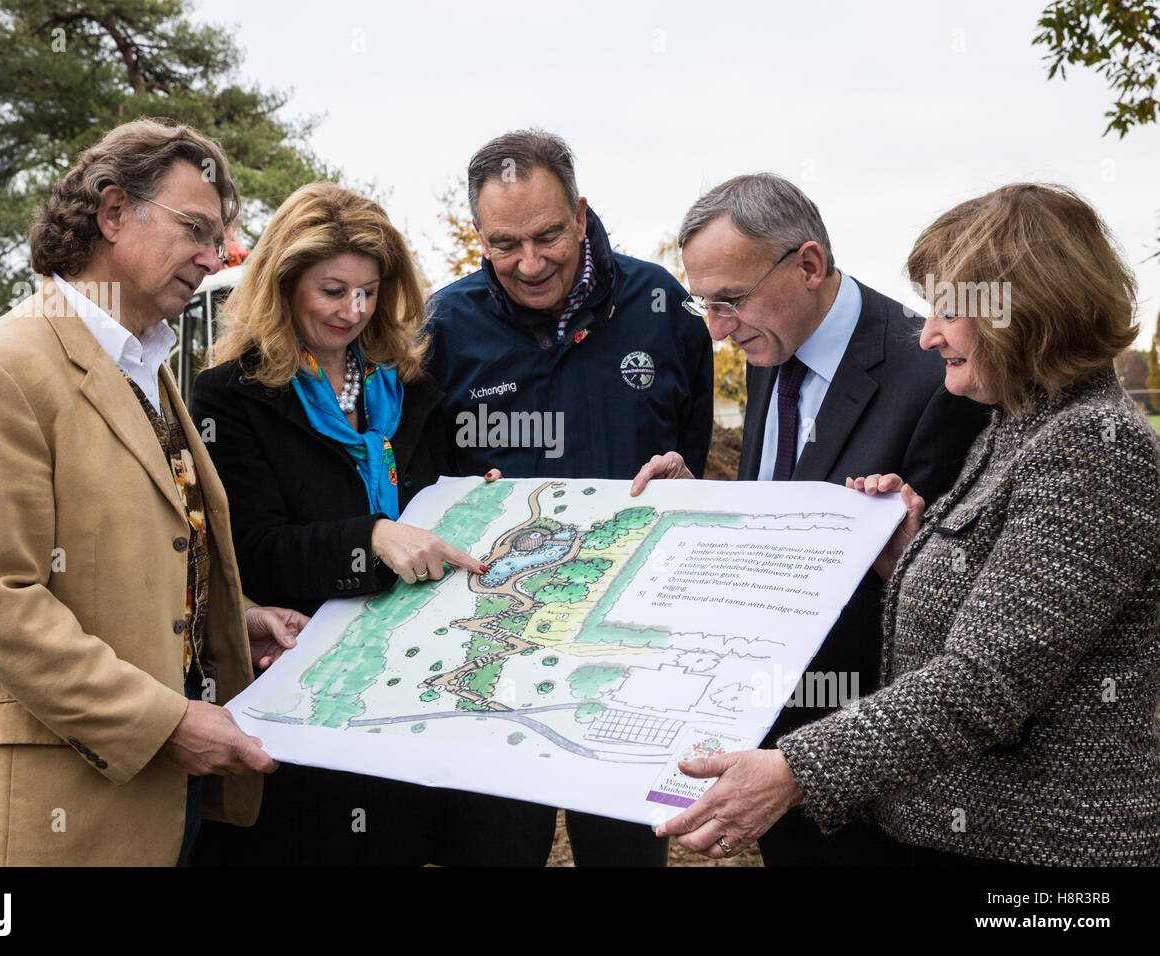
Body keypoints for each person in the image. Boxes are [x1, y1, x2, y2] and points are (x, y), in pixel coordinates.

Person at [652, 183, 1160, 866]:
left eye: (949, 311)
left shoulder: (1092, 444)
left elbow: (988, 681)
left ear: (1024, 312)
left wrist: (797, 770)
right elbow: (995, 611)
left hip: (1041, 851)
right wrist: (904, 556)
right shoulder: (1021, 426)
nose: (926, 334)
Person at [0, 118, 307, 866]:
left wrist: (231, 619)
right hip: (50, 817)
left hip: (160, 803)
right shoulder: (2, 369)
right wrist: (165, 723)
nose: (213, 256)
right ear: (110, 213)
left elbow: (143, 549)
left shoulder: (147, 368)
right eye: (196, 228)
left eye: (219, 235)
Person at [630, 172, 989, 865]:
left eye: (729, 300)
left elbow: (959, 604)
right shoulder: (774, 344)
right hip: (768, 751)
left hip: (882, 780)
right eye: (705, 303)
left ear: (810, 266)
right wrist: (698, 503)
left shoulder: (939, 373)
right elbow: (788, 522)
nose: (717, 327)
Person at [188, 182, 548, 865]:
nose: (353, 311)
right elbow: (252, 553)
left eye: (369, 290)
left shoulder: (410, 385)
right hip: (310, 693)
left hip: (421, 678)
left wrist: (478, 504)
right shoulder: (230, 397)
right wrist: (371, 539)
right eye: (332, 290)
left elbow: (433, 502)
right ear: (283, 284)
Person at [426, 129, 714, 866]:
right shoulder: (444, 327)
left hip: (623, 635)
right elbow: (424, 483)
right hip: (493, 631)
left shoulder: (663, 306)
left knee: (624, 849)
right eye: (504, 244)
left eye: (548, 235)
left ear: (581, 214)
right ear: (478, 236)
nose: (529, 263)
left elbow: (691, 448)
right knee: (492, 847)